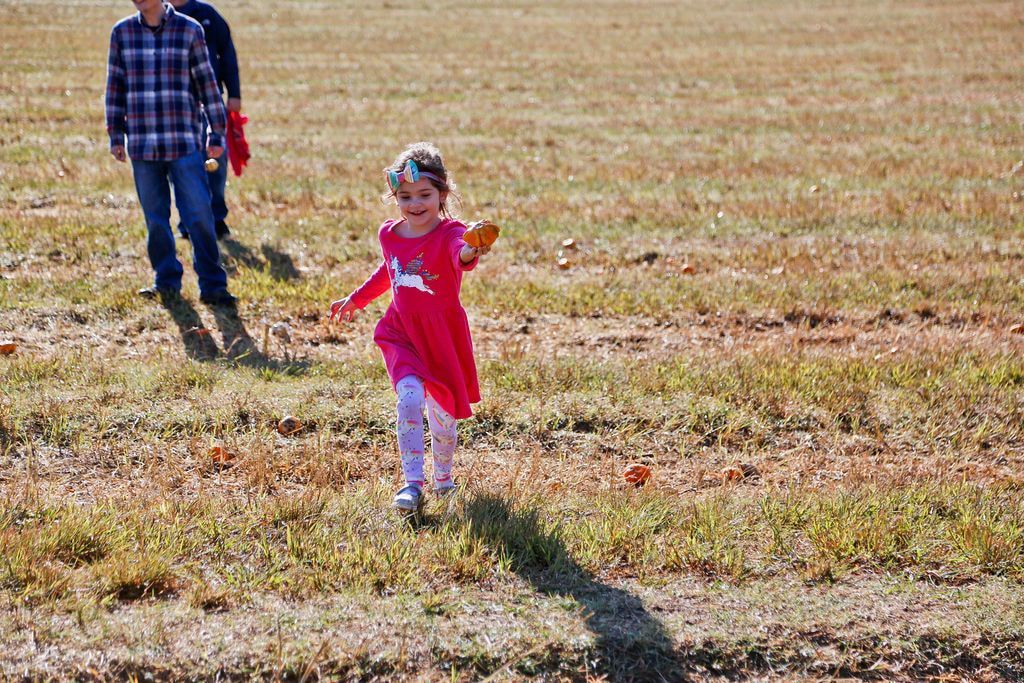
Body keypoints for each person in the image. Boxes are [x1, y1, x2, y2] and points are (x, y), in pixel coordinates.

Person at [329, 143, 493, 512]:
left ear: (442, 195)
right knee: (409, 399)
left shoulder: (453, 232)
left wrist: (472, 249)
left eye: (424, 195)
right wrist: (356, 299)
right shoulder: (390, 234)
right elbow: (389, 272)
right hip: (402, 333)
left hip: (443, 338)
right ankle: (412, 484)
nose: (415, 204)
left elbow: (460, 254)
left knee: (444, 418)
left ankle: (444, 480)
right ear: (395, 197)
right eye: (405, 196)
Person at [105, 0, 236, 306]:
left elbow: (207, 83)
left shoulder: (189, 29)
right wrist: (115, 134)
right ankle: (165, 281)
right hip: (142, 145)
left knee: (200, 216)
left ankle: (213, 285)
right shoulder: (122, 33)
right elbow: (115, 86)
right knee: (155, 220)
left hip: (185, 144)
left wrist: (216, 131)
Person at [168, 0, 241, 240]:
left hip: (208, 99)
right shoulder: (156, 15)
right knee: (180, 165)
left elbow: (227, 52)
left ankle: (217, 218)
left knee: (216, 161)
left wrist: (234, 93)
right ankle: (188, 221)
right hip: (172, 105)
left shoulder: (207, 15)